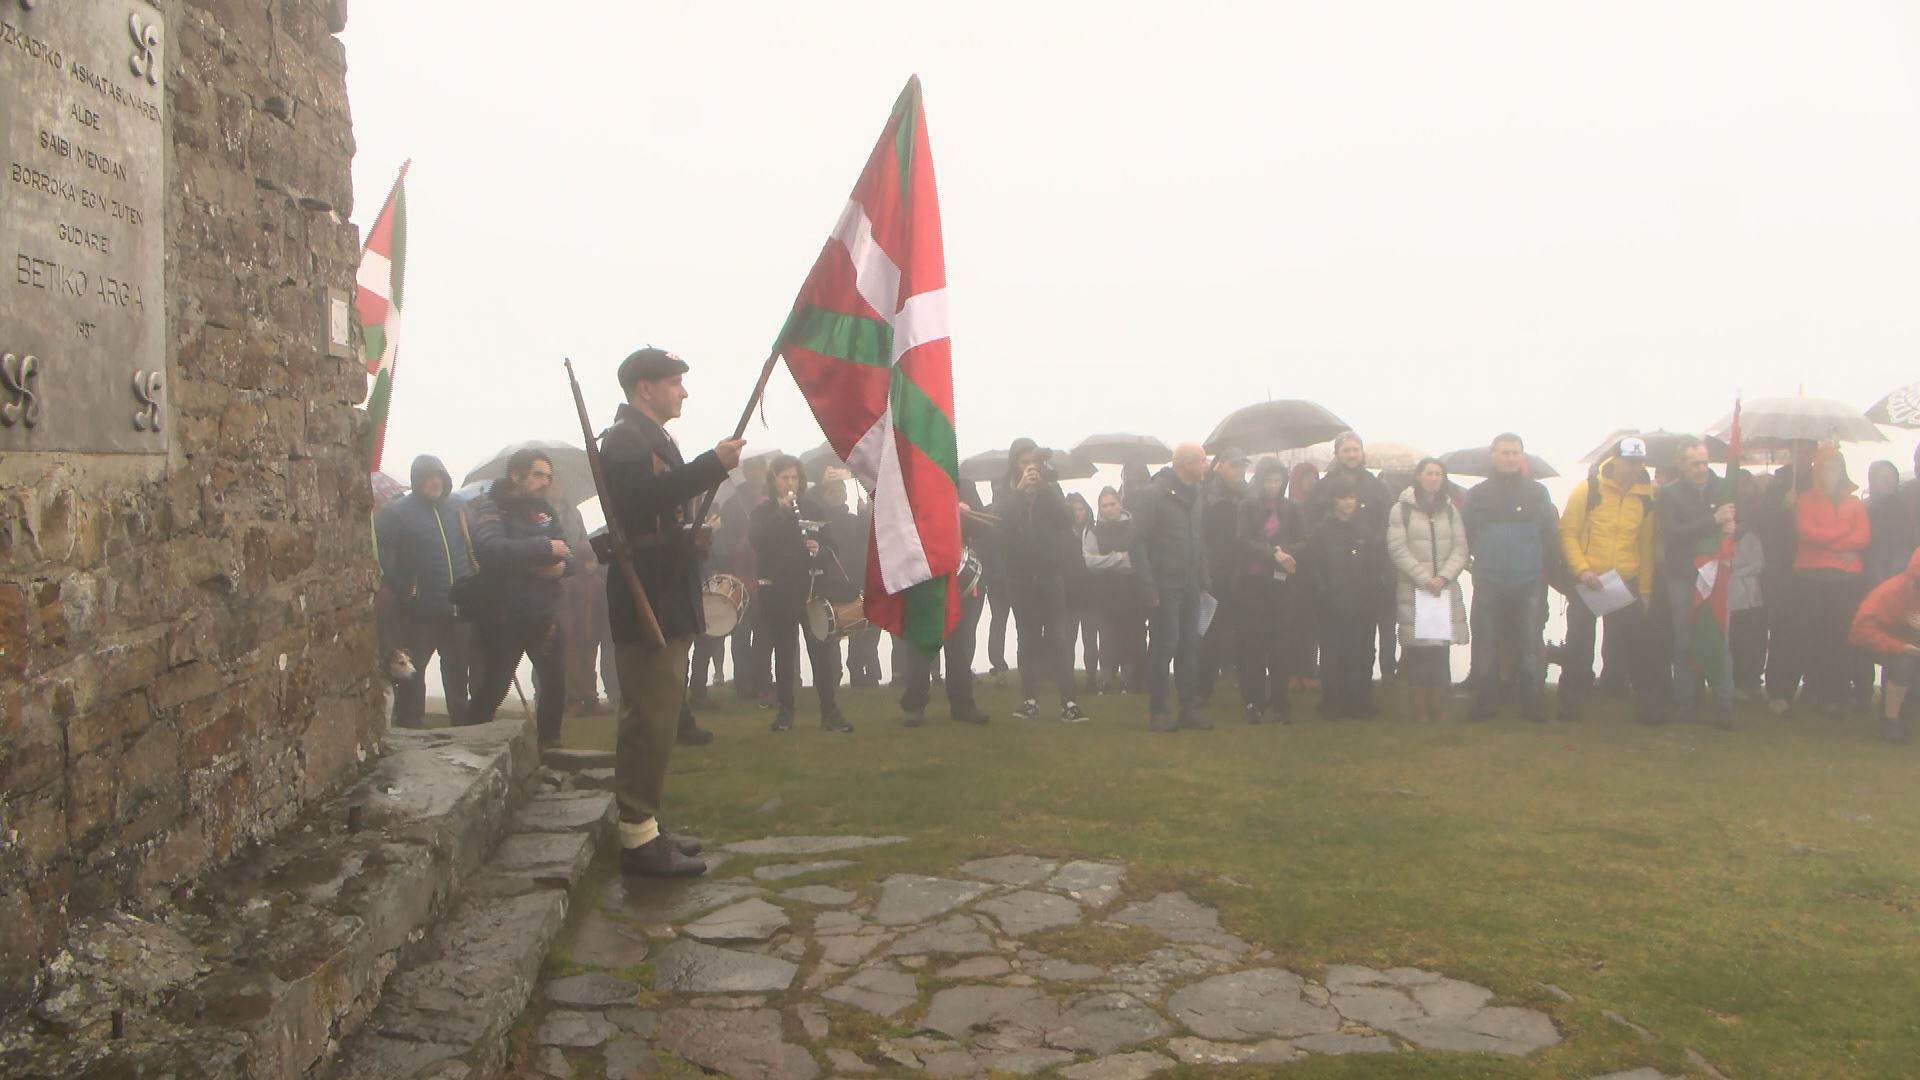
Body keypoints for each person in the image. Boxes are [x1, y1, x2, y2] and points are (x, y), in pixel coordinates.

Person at [600, 346, 742, 877]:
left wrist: (688, 534)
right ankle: (638, 839)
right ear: (645, 388)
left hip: (663, 587)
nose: (683, 392)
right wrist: (712, 466)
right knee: (650, 718)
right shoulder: (625, 440)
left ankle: (648, 826)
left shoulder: (648, 438)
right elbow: (638, 503)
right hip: (648, 595)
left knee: (659, 717)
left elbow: (655, 515)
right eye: (674, 382)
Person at [1556, 437, 1664, 725]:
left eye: (1639, 463)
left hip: (1623, 581)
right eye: (1628, 462)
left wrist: (1644, 589)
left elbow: (1646, 545)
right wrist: (1582, 570)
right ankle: (1570, 704)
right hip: (1587, 581)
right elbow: (1568, 532)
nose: (1633, 468)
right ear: (1614, 460)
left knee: (1638, 646)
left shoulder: (1646, 497)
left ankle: (1645, 706)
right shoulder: (1588, 489)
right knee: (1579, 646)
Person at [467, 449, 572, 743]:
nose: (545, 482)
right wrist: (543, 549)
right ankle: (471, 743)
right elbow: (489, 548)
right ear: (516, 474)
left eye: (548, 477)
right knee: (494, 687)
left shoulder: (546, 511)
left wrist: (562, 567)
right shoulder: (492, 506)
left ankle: (551, 747)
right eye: (538, 474)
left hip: (544, 614)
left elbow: (568, 552)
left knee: (554, 684)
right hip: (504, 616)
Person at [750, 455, 855, 733]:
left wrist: (818, 551)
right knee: (785, 654)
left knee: (820, 652)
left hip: (811, 591)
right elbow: (758, 542)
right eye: (784, 478)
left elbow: (832, 549)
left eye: (794, 477)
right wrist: (781, 513)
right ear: (774, 480)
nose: (790, 483)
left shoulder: (813, 508)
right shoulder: (763, 512)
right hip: (779, 593)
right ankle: (785, 713)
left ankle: (829, 712)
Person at [374, 454, 475, 728]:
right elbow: (378, 545)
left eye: (438, 476)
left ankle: (461, 727)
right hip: (420, 609)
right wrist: (396, 582)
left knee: (457, 673)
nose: (434, 482)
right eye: (428, 478)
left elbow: (473, 543)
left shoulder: (458, 507)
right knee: (413, 673)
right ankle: (410, 724)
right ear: (417, 481)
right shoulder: (399, 513)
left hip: (459, 607)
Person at [1461, 434, 1556, 722]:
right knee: (1486, 642)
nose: (1511, 458)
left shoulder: (1538, 493)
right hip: (1489, 579)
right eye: (1505, 452)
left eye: (1516, 453)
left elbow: (1548, 534)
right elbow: (1467, 532)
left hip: (1528, 580)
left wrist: (1536, 563)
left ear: (1522, 456)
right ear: (1493, 455)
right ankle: (1485, 702)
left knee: (1529, 644)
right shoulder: (1477, 494)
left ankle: (1532, 703)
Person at [1001, 438, 1089, 723]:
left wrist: (1047, 488)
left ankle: (1069, 702)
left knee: (1059, 639)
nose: (1030, 468)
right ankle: (1029, 699)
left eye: (1034, 463)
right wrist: (1019, 491)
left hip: (1051, 576)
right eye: (1024, 462)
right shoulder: (1006, 491)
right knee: (1027, 639)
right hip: (1020, 578)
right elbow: (999, 522)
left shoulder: (1051, 489)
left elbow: (1067, 520)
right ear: (1015, 464)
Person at [1655, 437, 1737, 728]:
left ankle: (1724, 702)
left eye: (1704, 462)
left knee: (1718, 637)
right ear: (1681, 465)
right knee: (1684, 639)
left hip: (1716, 575)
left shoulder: (1723, 487)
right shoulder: (1668, 494)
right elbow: (1674, 533)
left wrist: (1732, 526)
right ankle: (1687, 701)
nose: (1701, 469)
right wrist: (1713, 520)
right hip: (1683, 575)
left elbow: (1742, 521)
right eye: (1694, 464)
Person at [1134, 442, 1213, 731]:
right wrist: (1148, 586)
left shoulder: (1197, 495)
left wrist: (1204, 577)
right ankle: (1158, 711)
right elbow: (1136, 542)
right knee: (1163, 647)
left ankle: (1188, 708)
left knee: (1190, 647)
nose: (1206, 466)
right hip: (1163, 585)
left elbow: (1198, 538)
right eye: (1202, 461)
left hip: (1191, 584)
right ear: (1186, 465)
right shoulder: (1154, 495)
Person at [899, 482, 992, 727]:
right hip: (923, 571)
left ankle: (963, 704)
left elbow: (982, 528)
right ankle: (915, 705)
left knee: (960, 644)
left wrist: (967, 513)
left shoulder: (965, 483)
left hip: (956, 573)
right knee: (921, 644)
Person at [1387, 458, 1470, 723]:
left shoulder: (1450, 510)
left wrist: (1444, 577)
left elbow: (1461, 548)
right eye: (1429, 473)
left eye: (1439, 474)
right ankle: (1420, 706)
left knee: (1440, 650)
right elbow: (1397, 549)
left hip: (1443, 590)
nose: (1434, 478)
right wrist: (1425, 579)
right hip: (1415, 589)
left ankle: (1439, 703)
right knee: (1419, 651)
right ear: (1418, 476)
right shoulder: (1401, 510)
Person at [1309, 433, 1395, 682]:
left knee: (1364, 641)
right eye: (1346, 450)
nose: (1351, 455)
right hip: (1332, 572)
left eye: (1355, 450)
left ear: (1362, 453)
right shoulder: (1323, 487)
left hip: (1366, 569)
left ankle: (1361, 696)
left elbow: (1388, 522)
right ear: (1337, 454)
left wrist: (1374, 546)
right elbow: (1311, 523)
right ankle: (1332, 697)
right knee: (1332, 642)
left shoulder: (1377, 487)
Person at [1792, 447, 1870, 715]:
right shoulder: (1804, 499)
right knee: (1813, 633)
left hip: (1846, 579)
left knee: (1840, 634)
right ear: (1818, 471)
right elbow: (1807, 532)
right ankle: (1814, 687)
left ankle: (1836, 691)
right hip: (1812, 577)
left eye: (1835, 468)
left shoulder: (1855, 502)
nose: (1831, 473)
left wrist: (1833, 542)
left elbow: (1863, 537)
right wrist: (1842, 537)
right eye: (1826, 468)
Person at [1306, 474, 1387, 719]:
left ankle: (1361, 699)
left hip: (1363, 602)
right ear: (1333, 500)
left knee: (1362, 652)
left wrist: (1371, 593)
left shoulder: (1366, 529)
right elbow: (1316, 566)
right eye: (1343, 498)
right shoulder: (1321, 531)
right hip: (1331, 602)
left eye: (1352, 497)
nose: (1348, 503)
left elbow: (1376, 564)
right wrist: (1325, 594)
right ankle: (1332, 700)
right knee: (1333, 652)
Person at [1235, 459, 1307, 723]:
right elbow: (1242, 540)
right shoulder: (1247, 507)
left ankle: (1280, 701)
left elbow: (1304, 541)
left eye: (1277, 481)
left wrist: (1285, 552)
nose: (1273, 486)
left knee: (1281, 645)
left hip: (1282, 586)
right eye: (1268, 481)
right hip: (1253, 584)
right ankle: (1253, 700)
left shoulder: (1292, 508)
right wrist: (1272, 554)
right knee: (1254, 644)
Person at [1758, 442, 1817, 712]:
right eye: (1800, 451)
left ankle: (1799, 687)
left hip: (1811, 567)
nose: (1804, 457)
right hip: (1780, 567)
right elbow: (1763, 523)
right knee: (1781, 630)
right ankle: (1777, 690)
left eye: (1808, 452)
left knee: (1805, 631)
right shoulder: (1780, 482)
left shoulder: (1819, 482)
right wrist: (1783, 506)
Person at [1849, 547, 1920, 743]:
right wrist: (1898, 646)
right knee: (1904, 664)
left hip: (1912, 647)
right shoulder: (1890, 592)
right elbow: (1859, 632)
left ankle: (1906, 707)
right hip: (1883, 644)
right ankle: (1890, 721)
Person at [1198, 448, 1249, 701]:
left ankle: (1250, 691)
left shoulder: (1249, 496)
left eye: (1243, 466)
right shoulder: (1206, 496)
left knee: (1246, 633)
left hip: (1245, 572)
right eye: (1235, 466)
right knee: (1210, 634)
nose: (1240, 471)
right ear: (1221, 466)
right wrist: (1204, 573)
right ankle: (1202, 690)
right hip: (1215, 574)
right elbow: (1201, 538)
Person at [1090, 487, 1144, 694]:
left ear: (1120, 503)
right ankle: (1105, 681)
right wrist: (1117, 558)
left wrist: (1109, 560)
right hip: (1104, 593)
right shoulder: (1093, 530)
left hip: (1131, 592)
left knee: (1129, 637)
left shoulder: (1134, 526)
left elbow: (1137, 559)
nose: (1109, 509)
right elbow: (1089, 560)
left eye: (1112, 504)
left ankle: (1127, 681)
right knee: (1106, 637)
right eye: (1105, 505)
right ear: (1099, 508)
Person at [1728, 469, 1768, 701]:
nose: (1744, 488)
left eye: (1747, 483)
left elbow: (1760, 562)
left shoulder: (1759, 515)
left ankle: (1752, 679)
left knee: (1754, 637)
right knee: (1735, 637)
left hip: (1753, 589)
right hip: (1731, 591)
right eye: (1739, 483)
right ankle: (1734, 680)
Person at [1065, 493, 1106, 693]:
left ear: (1087, 510)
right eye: (1073, 510)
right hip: (1070, 595)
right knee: (1069, 639)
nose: (1078, 514)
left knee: (1090, 640)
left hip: (1091, 594)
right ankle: (1068, 678)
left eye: (1081, 509)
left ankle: (1091, 677)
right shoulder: (1063, 533)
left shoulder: (1094, 531)